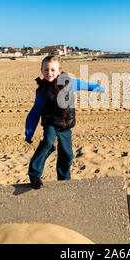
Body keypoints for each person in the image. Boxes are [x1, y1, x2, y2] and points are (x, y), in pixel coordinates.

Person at [25, 55, 105, 189]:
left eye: (52, 70)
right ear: (41, 70)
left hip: (66, 126)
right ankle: (34, 174)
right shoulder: (42, 92)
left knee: (67, 154)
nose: (49, 73)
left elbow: (84, 85)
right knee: (48, 142)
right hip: (50, 123)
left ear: (59, 72)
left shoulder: (69, 83)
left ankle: (64, 180)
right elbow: (34, 113)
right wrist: (29, 134)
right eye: (46, 70)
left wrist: (98, 88)